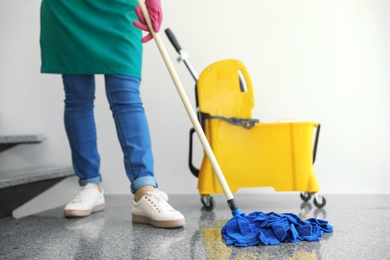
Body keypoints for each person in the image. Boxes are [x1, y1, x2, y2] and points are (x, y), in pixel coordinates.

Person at [39, 0, 185, 228]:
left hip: (119, 7)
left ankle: (145, 188)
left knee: (127, 96)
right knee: (77, 99)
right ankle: (89, 184)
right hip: (69, 7)